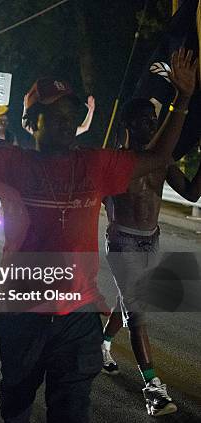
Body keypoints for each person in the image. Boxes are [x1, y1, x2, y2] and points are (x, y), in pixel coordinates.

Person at [0, 35, 196, 423]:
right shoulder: (10, 163)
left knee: (72, 411)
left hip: (77, 319)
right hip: (21, 315)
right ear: (28, 121)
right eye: (51, 114)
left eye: (69, 116)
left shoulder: (96, 165)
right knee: (18, 404)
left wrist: (183, 100)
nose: (64, 123)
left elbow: (158, 157)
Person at [101, 98, 201, 416]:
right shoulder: (115, 160)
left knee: (128, 302)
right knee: (138, 312)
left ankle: (102, 344)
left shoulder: (163, 160)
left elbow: (191, 193)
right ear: (128, 124)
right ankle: (153, 389)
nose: (151, 125)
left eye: (154, 119)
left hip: (150, 243)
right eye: (144, 119)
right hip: (122, 243)